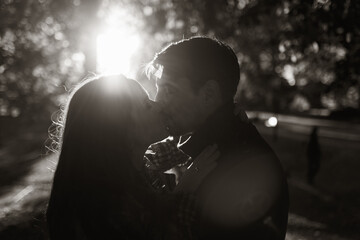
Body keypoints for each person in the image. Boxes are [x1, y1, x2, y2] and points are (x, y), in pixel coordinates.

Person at [146, 36, 289, 239]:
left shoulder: (241, 169)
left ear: (209, 94)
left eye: (170, 90)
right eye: (158, 88)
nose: (157, 102)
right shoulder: (196, 146)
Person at [46, 75, 218, 239]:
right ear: (119, 129)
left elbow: (173, 151)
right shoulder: (108, 207)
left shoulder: (130, 166)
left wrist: (223, 120)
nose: (158, 105)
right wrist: (184, 190)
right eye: (146, 105)